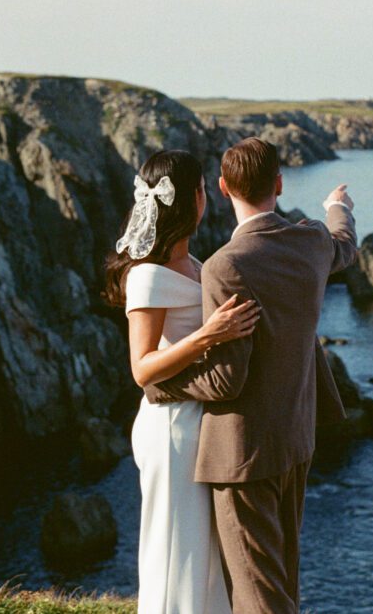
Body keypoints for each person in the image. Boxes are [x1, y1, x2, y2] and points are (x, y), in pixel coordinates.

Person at [143, 137, 356, 614]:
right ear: (279, 184)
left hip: (243, 454)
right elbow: (344, 244)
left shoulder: (226, 266)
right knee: (282, 582)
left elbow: (225, 381)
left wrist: (159, 385)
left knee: (257, 596)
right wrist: (337, 206)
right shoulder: (312, 241)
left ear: (222, 188)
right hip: (296, 442)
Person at [104, 150, 257, 614]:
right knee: (174, 553)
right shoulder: (147, 277)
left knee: (201, 555)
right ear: (192, 198)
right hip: (170, 428)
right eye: (204, 189)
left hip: (196, 422)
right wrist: (210, 336)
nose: (208, 197)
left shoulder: (192, 262)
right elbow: (142, 368)